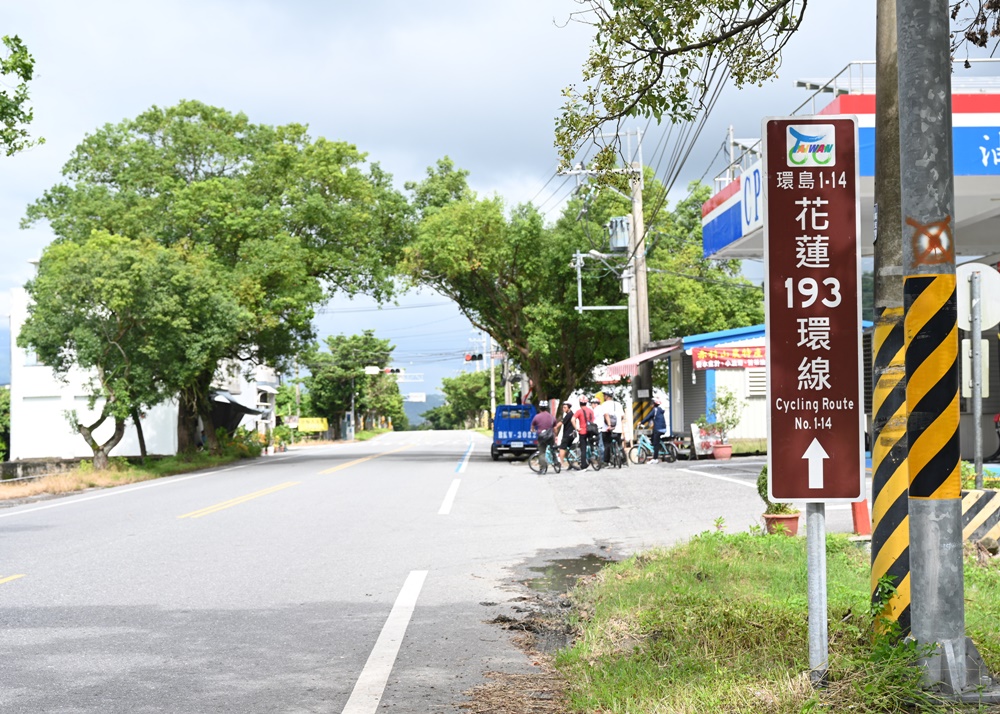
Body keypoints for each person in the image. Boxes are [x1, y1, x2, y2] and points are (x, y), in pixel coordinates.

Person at [595, 390, 625, 464]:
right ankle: (624, 460)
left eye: (604, 395)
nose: (604, 397)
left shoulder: (604, 405)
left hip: (607, 429)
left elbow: (606, 415)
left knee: (607, 444)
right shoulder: (618, 404)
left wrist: (609, 425)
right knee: (619, 444)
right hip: (618, 428)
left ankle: (606, 461)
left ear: (607, 396)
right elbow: (622, 416)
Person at [529, 401, 557, 473]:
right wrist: (555, 435)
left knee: (542, 452)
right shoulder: (551, 417)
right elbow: (555, 428)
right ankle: (556, 463)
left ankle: (543, 468)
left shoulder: (537, 417)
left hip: (541, 437)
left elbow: (532, 426)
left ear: (540, 408)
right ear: (547, 408)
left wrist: (533, 430)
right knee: (553, 450)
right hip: (550, 436)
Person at [640, 396, 668, 463]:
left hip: (658, 429)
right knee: (653, 437)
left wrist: (641, 422)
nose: (651, 404)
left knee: (656, 443)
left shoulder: (654, 410)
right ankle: (657, 448)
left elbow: (648, 417)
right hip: (663, 428)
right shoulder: (660, 410)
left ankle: (655, 459)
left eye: (652, 403)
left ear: (654, 404)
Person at [573, 395, 598, 470]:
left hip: (582, 432)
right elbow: (593, 420)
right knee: (591, 445)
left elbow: (572, 419)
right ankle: (592, 456)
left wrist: (577, 428)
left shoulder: (579, 411)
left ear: (579, 403)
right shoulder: (591, 411)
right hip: (590, 431)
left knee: (583, 448)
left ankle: (583, 465)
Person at [555, 402, 576, 469]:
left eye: (565, 407)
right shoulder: (571, 414)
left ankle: (561, 464)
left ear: (569, 408)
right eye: (563, 407)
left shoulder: (569, 415)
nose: (563, 409)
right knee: (568, 449)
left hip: (568, 434)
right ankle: (571, 464)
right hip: (571, 434)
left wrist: (555, 427)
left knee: (562, 448)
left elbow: (561, 422)